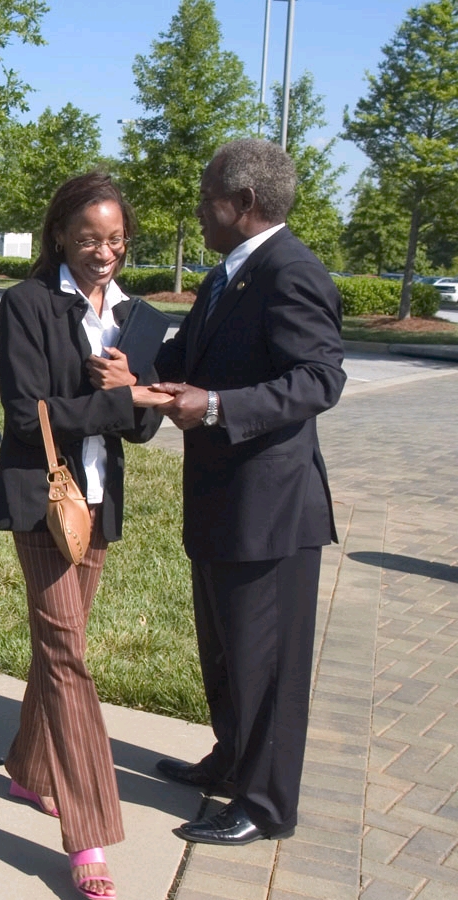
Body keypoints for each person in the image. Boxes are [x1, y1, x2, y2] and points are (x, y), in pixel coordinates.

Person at [149, 139, 346, 846]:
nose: (199, 209)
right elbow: (181, 357)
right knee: (227, 651)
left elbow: (319, 379)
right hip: (221, 503)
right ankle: (231, 761)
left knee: (267, 666)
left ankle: (265, 805)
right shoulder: (225, 274)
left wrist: (214, 407)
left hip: (270, 512)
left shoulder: (292, 272)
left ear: (244, 202)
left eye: (207, 198)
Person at [0, 171, 163, 900]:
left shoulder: (138, 316)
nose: (104, 253)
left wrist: (131, 393)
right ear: (60, 234)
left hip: (97, 500)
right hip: (43, 499)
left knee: (61, 646)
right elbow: (26, 417)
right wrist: (121, 399)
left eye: (116, 240)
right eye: (89, 238)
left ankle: (31, 769)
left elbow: (144, 427)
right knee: (67, 654)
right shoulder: (26, 305)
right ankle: (88, 830)